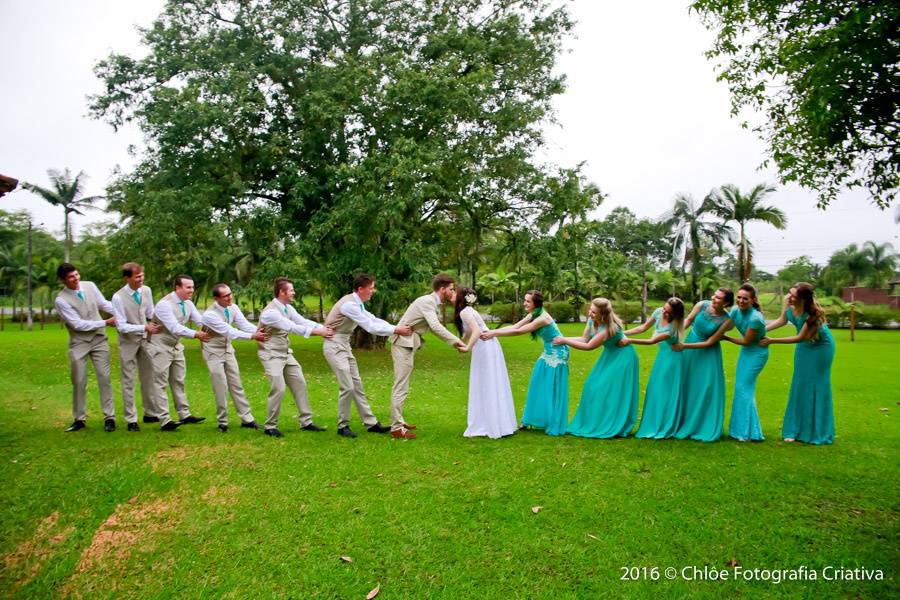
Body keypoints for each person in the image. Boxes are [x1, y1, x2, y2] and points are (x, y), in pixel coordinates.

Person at [323, 273, 410, 438]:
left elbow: (374, 319)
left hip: (344, 345)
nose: (373, 291)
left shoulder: (358, 304)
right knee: (347, 387)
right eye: (371, 288)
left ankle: (371, 423)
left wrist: (395, 326)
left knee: (357, 385)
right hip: (334, 345)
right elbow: (370, 326)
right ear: (360, 289)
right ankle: (343, 426)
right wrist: (397, 330)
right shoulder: (349, 305)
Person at [388, 274, 467, 439]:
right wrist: (456, 342)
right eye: (451, 289)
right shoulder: (427, 301)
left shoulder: (432, 303)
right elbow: (435, 326)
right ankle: (396, 427)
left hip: (407, 343)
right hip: (402, 343)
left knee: (403, 385)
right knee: (401, 386)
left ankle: (399, 421)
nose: (453, 292)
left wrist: (455, 342)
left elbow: (432, 327)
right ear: (442, 289)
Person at [481, 290, 569, 436]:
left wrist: (493, 334)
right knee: (537, 383)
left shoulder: (542, 318)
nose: (525, 303)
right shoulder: (533, 314)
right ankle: (530, 420)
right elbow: (515, 327)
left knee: (550, 387)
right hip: (548, 351)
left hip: (558, 353)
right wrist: (491, 331)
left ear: (536, 303)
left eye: (528, 301)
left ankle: (553, 421)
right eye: (525, 300)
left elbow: (518, 332)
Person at [257, 277, 333, 437]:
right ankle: (270, 426)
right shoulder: (270, 313)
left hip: (285, 353)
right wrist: (319, 333)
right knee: (278, 388)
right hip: (271, 355)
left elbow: (302, 321)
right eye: (291, 290)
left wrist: (322, 327)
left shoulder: (287, 308)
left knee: (300, 384)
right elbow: (291, 327)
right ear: (281, 292)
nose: (294, 293)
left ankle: (306, 422)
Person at [554, 298, 639, 438]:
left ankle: (610, 423)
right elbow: (584, 339)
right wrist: (563, 338)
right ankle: (594, 421)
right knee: (591, 385)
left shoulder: (610, 329)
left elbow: (589, 347)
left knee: (608, 389)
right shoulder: (591, 321)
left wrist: (564, 341)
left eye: (594, 312)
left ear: (603, 315)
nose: (590, 313)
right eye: (590, 310)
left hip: (623, 357)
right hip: (610, 355)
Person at [762, 282, 835, 444]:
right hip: (804, 348)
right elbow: (781, 320)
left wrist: (771, 340)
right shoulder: (789, 304)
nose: (789, 297)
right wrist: (762, 330)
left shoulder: (812, 314)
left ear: (802, 299)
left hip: (821, 347)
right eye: (789, 293)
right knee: (800, 384)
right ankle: (794, 429)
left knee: (817, 385)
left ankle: (817, 430)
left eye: (794, 295)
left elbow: (800, 337)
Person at [54, 263, 117, 432]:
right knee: (79, 380)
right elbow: (77, 324)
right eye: (71, 277)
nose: (76, 279)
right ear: (63, 280)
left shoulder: (90, 286)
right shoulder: (61, 300)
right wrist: (105, 322)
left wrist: (122, 313)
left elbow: (104, 304)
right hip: (79, 343)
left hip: (99, 340)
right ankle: (79, 418)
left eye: (76, 274)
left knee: (104, 377)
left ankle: (109, 417)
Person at [200, 283, 268, 433]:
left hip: (228, 350)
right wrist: (253, 336)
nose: (230, 297)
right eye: (225, 296)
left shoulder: (233, 308)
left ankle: (247, 419)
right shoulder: (209, 315)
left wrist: (260, 331)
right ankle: (222, 422)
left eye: (230, 294)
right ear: (216, 298)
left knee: (236, 384)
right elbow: (229, 332)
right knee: (220, 387)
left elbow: (244, 325)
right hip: (213, 352)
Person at [147, 274, 211, 431]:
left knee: (178, 380)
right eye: (188, 287)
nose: (192, 290)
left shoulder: (188, 303)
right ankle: (164, 420)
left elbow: (200, 321)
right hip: (160, 346)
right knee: (160, 383)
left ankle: (184, 414)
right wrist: (196, 334)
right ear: (177, 288)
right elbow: (174, 327)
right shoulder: (164, 305)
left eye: (193, 287)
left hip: (176, 346)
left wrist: (213, 327)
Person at [453, 286, 518, 439]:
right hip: (489, 345)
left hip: (484, 346)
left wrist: (467, 347)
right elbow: (470, 330)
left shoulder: (464, 311)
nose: (452, 295)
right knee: (490, 382)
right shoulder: (469, 310)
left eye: (455, 292)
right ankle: (496, 421)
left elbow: (476, 331)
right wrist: (461, 340)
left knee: (486, 382)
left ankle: (490, 423)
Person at [672, 288, 734, 442]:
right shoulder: (701, 305)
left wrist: (684, 346)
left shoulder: (727, 320)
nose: (714, 298)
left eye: (719, 298)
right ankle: (682, 421)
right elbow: (688, 321)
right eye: (714, 295)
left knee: (703, 388)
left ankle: (700, 424)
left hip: (707, 353)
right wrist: (676, 334)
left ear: (726, 302)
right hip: (690, 344)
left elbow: (710, 342)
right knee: (687, 384)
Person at [621, 297, 686, 439]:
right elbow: (642, 328)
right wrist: (623, 333)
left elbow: (651, 341)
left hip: (672, 360)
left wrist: (629, 341)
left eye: (668, 312)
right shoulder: (658, 312)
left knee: (666, 391)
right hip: (662, 358)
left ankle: (665, 423)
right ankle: (655, 419)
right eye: (664, 309)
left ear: (675, 315)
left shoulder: (672, 328)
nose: (664, 313)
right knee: (655, 389)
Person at [111, 262, 160, 431]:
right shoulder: (118, 297)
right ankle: (131, 419)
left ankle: (150, 413)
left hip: (145, 341)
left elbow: (149, 312)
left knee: (149, 376)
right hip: (128, 343)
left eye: (142, 275)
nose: (141, 279)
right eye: (137, 277)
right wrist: (144, 327)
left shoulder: (146, 290)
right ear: (127, 278)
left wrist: (162, 320)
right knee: (128, 380)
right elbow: (121, 326)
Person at [723, 284, 768, 442]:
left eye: (745, 299)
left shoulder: (756, 318)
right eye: (739, 297)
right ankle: (743, 431)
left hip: (757, 354)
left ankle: (747, 432)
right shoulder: (735, 310)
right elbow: (726, 327)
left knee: (743, 388)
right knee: (741, 388)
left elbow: (746, 341)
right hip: (746, 353)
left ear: (753, 300)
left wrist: (725, 338)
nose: (741, 301)